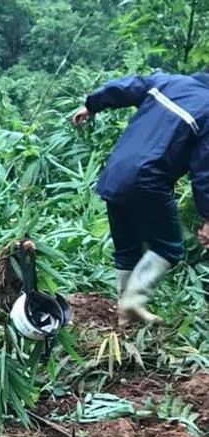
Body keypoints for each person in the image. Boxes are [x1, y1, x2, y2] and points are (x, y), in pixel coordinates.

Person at [72, 72, 209, 323]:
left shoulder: (169, 81)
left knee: (126, 249)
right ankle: (133, 301)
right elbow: (204, 171)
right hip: (149, 180)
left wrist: (91, 105)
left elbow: (125, 87)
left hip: (114, 174)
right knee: (168, 247)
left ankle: (126, 318)